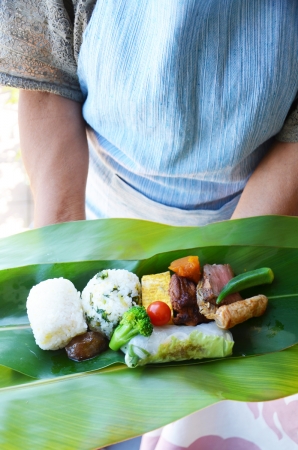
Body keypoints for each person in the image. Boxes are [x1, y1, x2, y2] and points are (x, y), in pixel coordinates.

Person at [1, 1, 298, 449]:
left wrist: (222, 280)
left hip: (248, 216)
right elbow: (45, 77)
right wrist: (61, 244)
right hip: (98, 206)